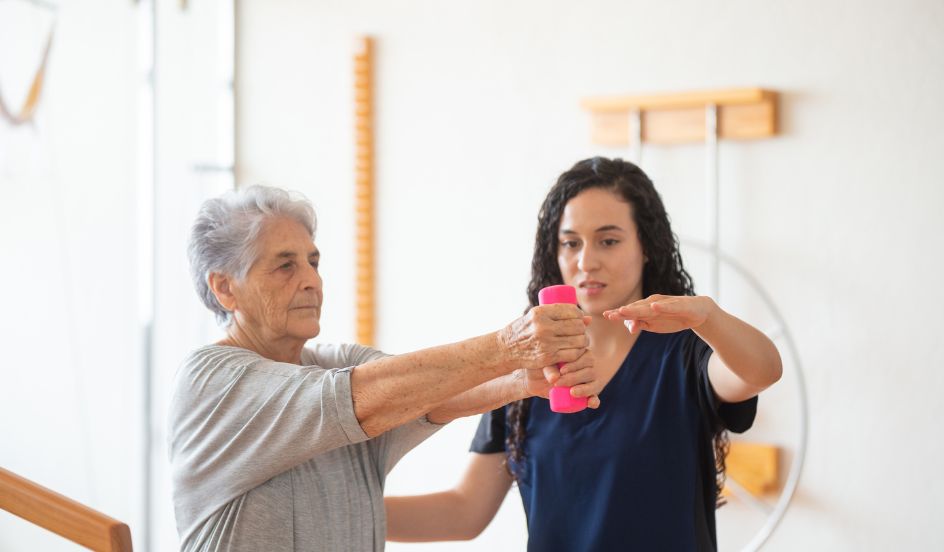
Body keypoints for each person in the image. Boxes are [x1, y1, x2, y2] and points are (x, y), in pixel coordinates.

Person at [167, 185, 602, 552]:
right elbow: (357, 399)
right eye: (285, 265)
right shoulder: (210, 381)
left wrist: (520, 380)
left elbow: (423, 395)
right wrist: (510, 346)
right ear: (225, 288)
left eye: (313, 262)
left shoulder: (338, 364)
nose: (312, 280)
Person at [384, 157, 783, 551]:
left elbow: (761, 370)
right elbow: (465, 511)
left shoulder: (685, 355)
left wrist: (708, 315)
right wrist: (342, 510)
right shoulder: (527, 372)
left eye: (608, 241)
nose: (585, 261)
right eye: (571, 243)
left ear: (647, 247)